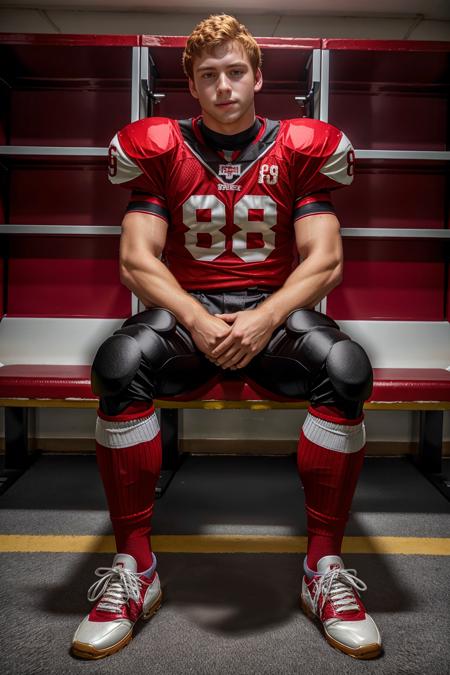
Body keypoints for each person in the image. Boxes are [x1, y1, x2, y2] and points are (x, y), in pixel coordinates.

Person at [71, 14, 381, 661]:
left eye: (235, 71)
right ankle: (137, 569)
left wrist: (266, 316)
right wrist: (196, 315)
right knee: (118, 361)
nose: (224, 86)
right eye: (208, 75)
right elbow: (137, 258)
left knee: (347, 367)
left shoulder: (297, 146)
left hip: (274, 314)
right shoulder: (164, 147)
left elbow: (323, 258)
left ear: (258, 76)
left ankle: (323, 570)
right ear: (190, 84)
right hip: (192, 315)